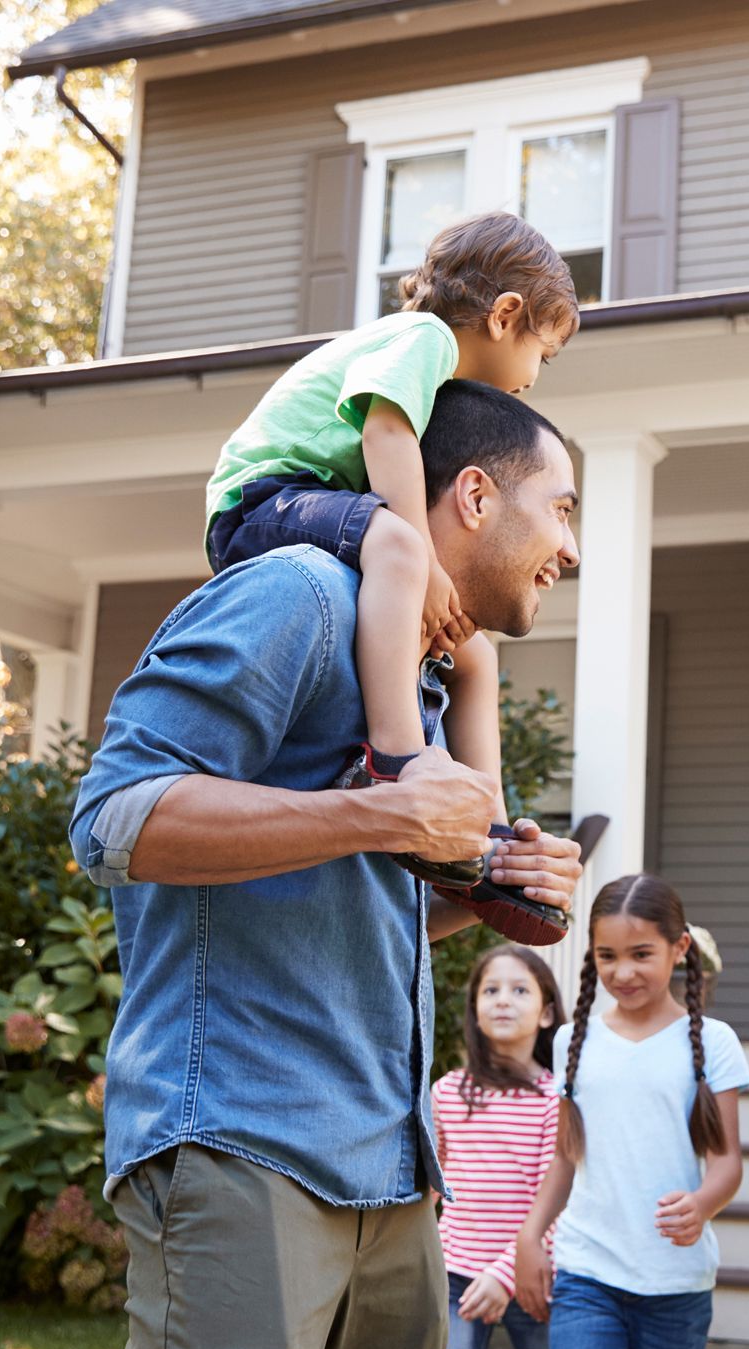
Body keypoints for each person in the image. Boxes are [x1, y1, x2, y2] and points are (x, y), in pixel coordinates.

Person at [69, 380, 582, 1349]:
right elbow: (112, 818)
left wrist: (489, 892)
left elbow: (356, 895)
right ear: (479, 495)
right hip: (245, 1146)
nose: (572, 548)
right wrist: (382, 813)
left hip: (395, 1178)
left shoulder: (419, 678)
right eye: (563, 509)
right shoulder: (296, 594)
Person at [204, 210, 580, 938]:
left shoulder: (430, 368)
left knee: (473, 653)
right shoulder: (421, 339)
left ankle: (491, 840)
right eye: (545, 353)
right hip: (264, 496)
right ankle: (398, 757)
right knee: (400, 548)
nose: (535, 377)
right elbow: (385, 433)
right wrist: (423, 556)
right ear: (506, 316)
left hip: (310, 501)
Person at [514, 874, 749, 1349]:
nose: (624, 971)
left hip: (674, 1288)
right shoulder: (572, 1041)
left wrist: (701, 1204)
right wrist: (530, 1238)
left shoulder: (713, 1043)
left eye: (641, 954)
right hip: (588, 1277)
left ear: (679, 950)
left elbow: (727, 1164)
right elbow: (567, 1161)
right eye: (607, 956)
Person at [431, 946, 564, 1349]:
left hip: (534, 1282)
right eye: (490, 990)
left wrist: (505, 1275)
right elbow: (430, 1193)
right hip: (455, 1280)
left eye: (519, 990)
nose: (503, 1000)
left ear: (548, 1012)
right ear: (474, 1007)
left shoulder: (557, 1099)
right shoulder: (446, 1093)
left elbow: (556, 1204)